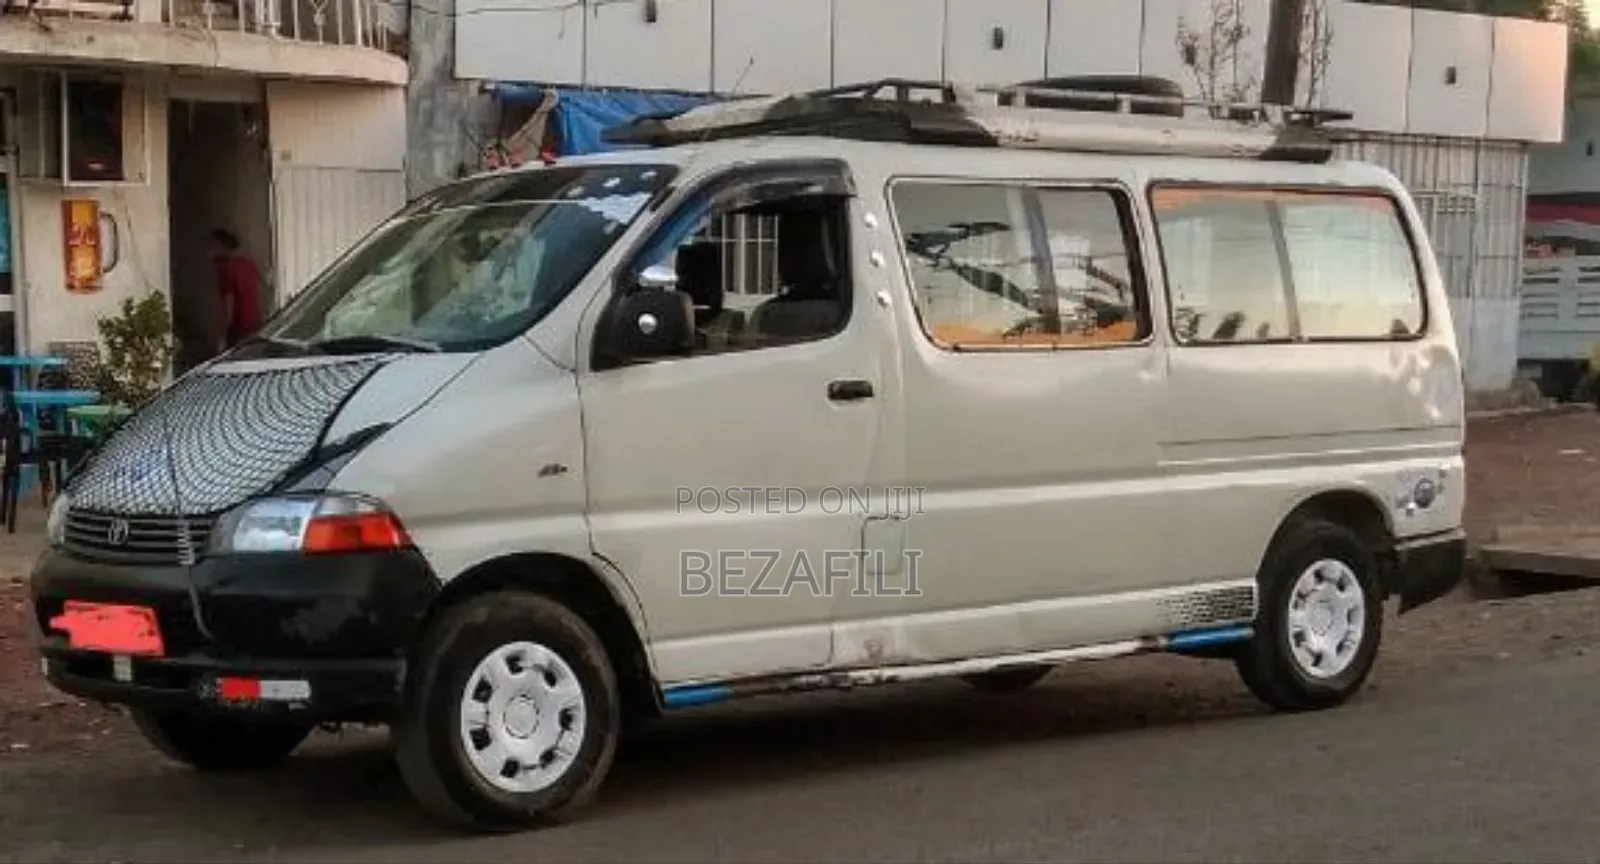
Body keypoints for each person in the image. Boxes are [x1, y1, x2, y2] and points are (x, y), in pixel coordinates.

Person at [211, 228, 263, 352]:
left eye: (212, 247)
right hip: (255, 324)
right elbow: (259, 292)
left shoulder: (226, 270)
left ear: (222, 247)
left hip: (238, 328)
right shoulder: (248, 263)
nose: (208, 252)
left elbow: (229, 306)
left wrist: (222, 336)